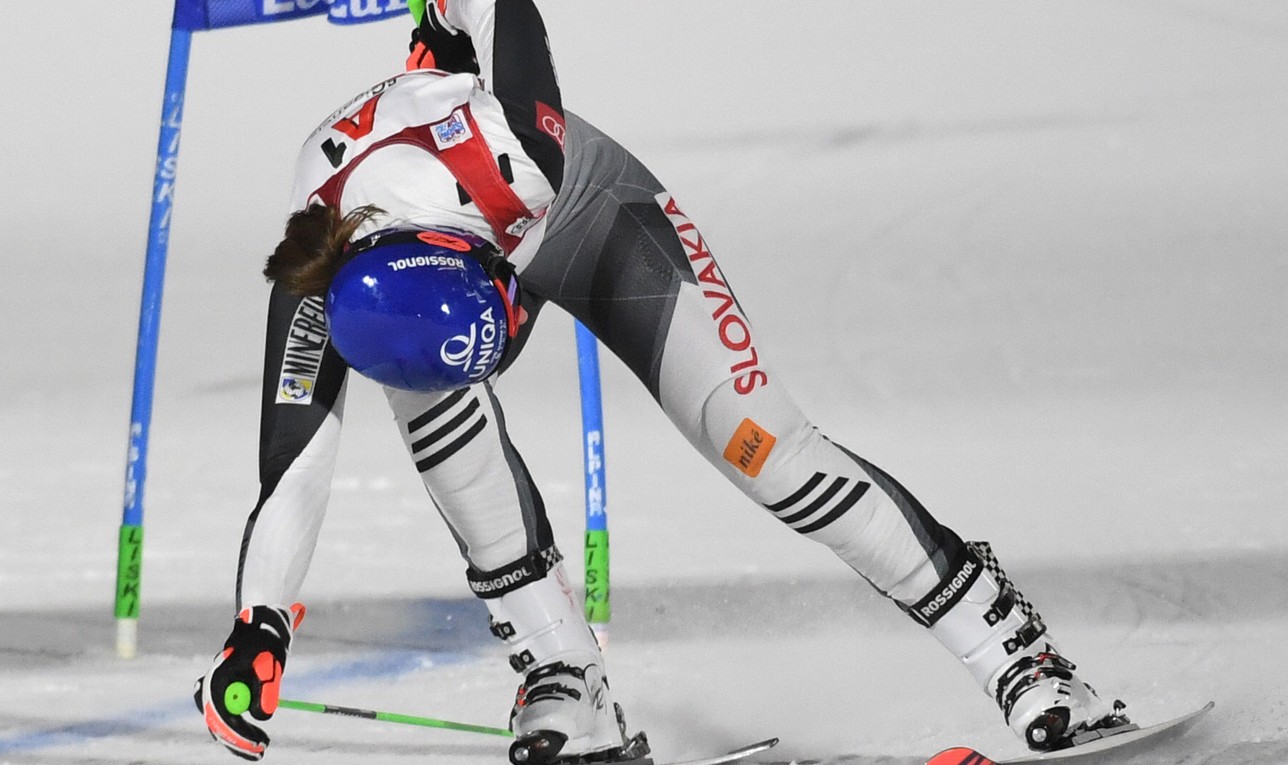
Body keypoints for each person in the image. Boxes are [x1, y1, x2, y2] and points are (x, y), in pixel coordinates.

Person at [193, 1, 1130, 762]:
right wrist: (259, 628)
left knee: (759, 446)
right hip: (453, 261)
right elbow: (295, 465)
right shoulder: (318, 266)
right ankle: (567, 677)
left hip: (585, 215)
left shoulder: (522, 137)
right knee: (432, 409)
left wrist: (450, 22)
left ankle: (1018, 652)